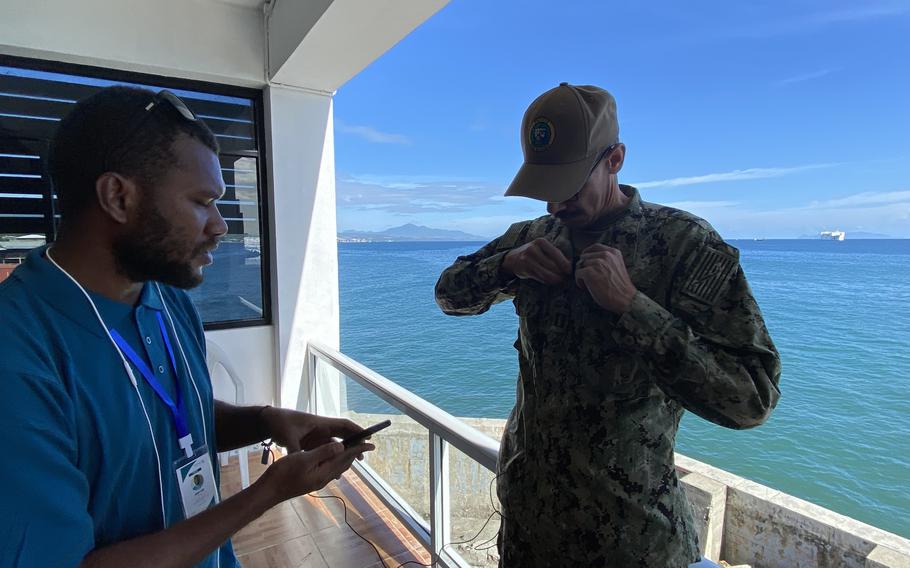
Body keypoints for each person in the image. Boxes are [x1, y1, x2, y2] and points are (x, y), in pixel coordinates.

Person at [0, 86, 374, 567]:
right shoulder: (19, 354)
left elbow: (166, 418)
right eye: (202, 202)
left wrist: (264, 419)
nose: (221, 225)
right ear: (118, 197)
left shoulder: (166, 297)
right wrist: (267, 492)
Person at [435, 83, 781, 567]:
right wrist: (508, 264)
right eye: (544, 189)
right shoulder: (535, 235)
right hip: (527, 529)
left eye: (569, 185)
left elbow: (751, 399)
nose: (554, 206)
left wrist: (633, 307)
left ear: (615, 159)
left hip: (628, 543)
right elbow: (448, 293)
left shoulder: (684, 245)